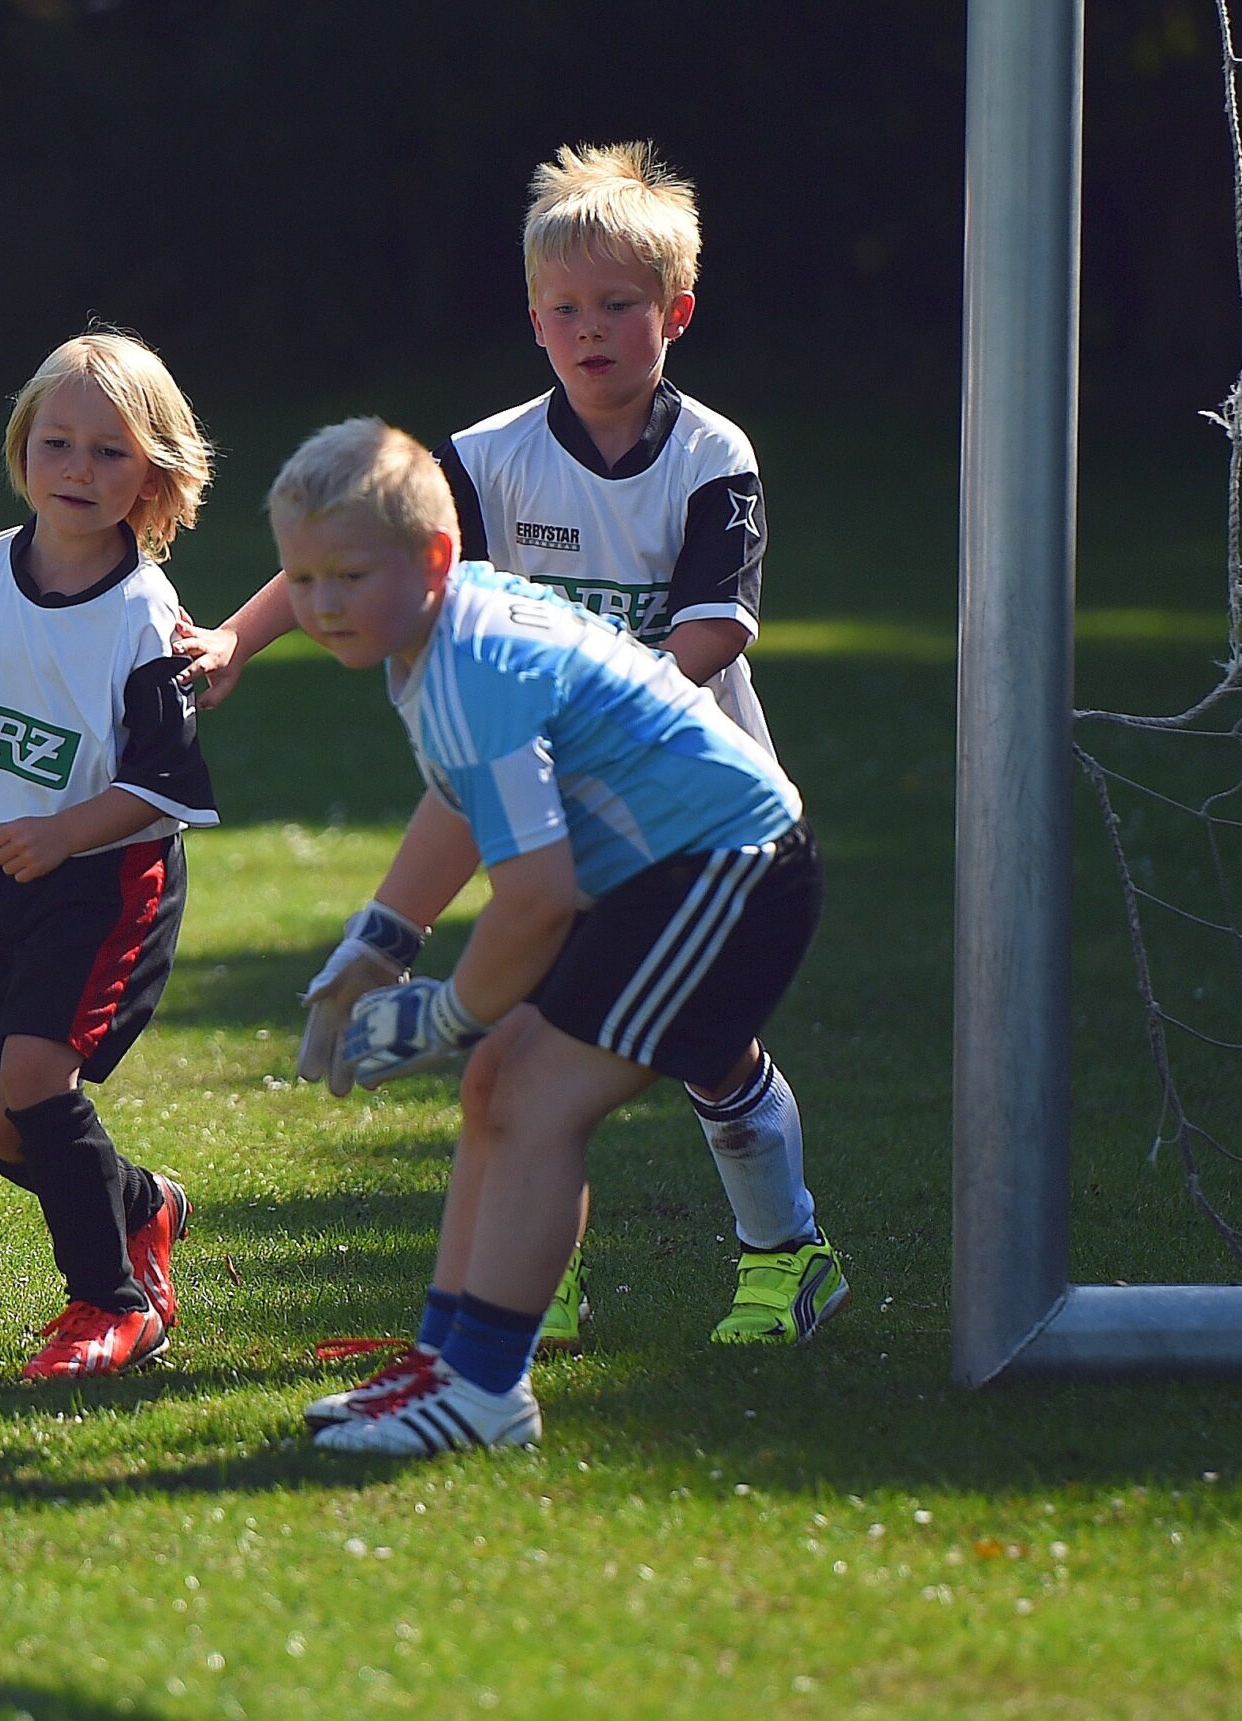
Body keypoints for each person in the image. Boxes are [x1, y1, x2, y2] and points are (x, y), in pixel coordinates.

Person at [178, 142, 842, 1373]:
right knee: (534, 1055)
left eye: (619, 306)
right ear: (533, 323)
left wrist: (589, 705)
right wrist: (235, 638)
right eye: (564, 310)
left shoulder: (711, 456)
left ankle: (782, 1253)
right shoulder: (481, 469)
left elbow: (708, 629)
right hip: (555, 792)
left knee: (679, 1049)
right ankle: (527, 1293)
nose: (590, 331)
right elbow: (360, 541)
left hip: (696, 821)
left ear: (676, 314)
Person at [265, 418, 824, 1454]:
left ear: (435, 557)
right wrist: (376, 943)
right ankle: (444, 1364)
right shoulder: (444, 633)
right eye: (300, 579)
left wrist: (444, 1013)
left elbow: (536, 900)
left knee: (528, 1096)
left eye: (348, 573)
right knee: (497, 1089)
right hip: (679, 870)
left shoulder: (468, 661)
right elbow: (462, 799)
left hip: (728, 872)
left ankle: (484, 1391)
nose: (322, 604)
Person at [0, 332, 219, 1380]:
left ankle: (109, 1304)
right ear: (22, 450)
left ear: (154, 472)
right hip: (8, 872)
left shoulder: (144, 613)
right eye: (56, 442)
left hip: (111, 878)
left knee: (33, 1077)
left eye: (111, 452)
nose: (77, 468)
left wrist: (63, 832)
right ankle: (143, 1203)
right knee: (0, 1123)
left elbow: (171, 785)